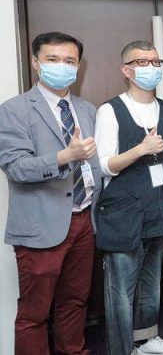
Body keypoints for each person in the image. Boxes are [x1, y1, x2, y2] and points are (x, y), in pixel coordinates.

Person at [0, 32, 101, 355]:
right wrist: (63, 157)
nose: (62, 66)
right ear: (35, 62)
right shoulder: (14, 110)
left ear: (78, 66)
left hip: (83, 220)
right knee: (35, 312)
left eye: (69, 61)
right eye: (52, 59)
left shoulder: (87, 109)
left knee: (75, 300)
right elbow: (16, 168)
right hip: (40, 224)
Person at [94, 40, 163, 355]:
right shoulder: (110, 110)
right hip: (124, 213)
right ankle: (121, 348)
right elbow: (105, 165)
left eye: (156, 62)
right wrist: (141, 149)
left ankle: (146, 338)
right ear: (126, 70)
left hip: (159, 209)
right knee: (120, 289)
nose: (151, 68)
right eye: (142, 62)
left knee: (151, 281)